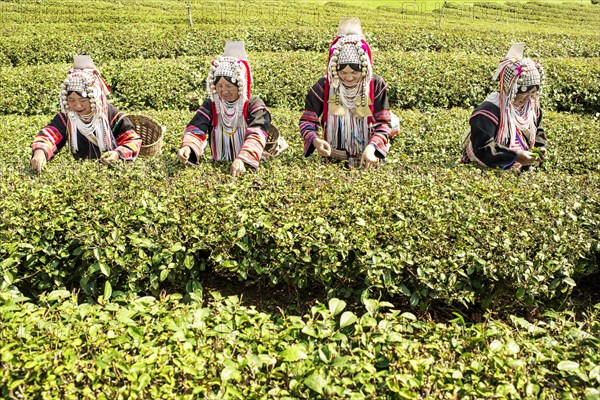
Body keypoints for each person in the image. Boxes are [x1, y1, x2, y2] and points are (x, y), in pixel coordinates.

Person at [299, 17, 392, 168]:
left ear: (364, 69)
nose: (349, 78)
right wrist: (316, 141)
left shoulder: (375, 85)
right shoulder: (324, 86)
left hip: (369, 157)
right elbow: (307, 121)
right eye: (342, 73)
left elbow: (383, 123)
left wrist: (371, 147)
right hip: (332, 157)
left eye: (355, 73)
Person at [30, 55, 141, 173]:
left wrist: (117, 154)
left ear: (94, 98)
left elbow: (133, 140)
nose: (77, 106)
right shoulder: (67, 117)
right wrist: (40, 152)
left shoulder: (111, 115)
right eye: (71, 100)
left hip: (113, 173)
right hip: (81, 172)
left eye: (82, 101)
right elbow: (50, 134)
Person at [177, 41, 272, 177]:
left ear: (240, 85)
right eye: (219, 86)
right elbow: (197, 127)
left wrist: (242, 159)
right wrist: (187, 147)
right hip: (218, 163)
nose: (224, 91)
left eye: (229, 86)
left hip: (247, 165)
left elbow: (257, 132)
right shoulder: (212, 104)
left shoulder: (253, 104)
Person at [461, 43, 548, 169]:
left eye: (533, 93)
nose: (529, 98)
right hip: (486, 167)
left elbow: (537, 129)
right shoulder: (487, 111)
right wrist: (515, 156)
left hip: (521, 167)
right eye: (524, 93)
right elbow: (483, 148)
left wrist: (540, 147)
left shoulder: (531, 108)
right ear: (510, 89)